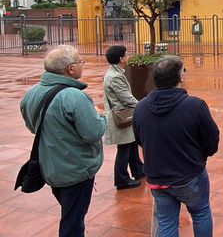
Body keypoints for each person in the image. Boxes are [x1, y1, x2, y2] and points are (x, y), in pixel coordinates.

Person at [20, 45, 106, 237]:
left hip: (49, 167)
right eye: (80, 61)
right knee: (73, 221)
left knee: (70, 211)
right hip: (75, 169)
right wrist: (100, 117)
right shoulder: (75, 97)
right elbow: (93, 133)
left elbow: (32, 126)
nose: (82, 65)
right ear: (70, 68)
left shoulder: (31, 92)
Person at [133, 56, 220, 237]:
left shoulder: (140, 108)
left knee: (165, 221)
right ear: (180, 77)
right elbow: (211, 140)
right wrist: (200, 156)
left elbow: (140, 140)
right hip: (189, 174)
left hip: (158, 177)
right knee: (201, 212)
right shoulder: (194, 105)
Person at [103, 45, 144, 190]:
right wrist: (143, 106)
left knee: (132, 143)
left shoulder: (116, 73)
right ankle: (121, 179)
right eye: (126, 54)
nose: (128, 57)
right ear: (121, 58)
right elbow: (126, 98)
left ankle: (138, 170)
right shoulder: (114, 77)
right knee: (125, 148)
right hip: (121, 116)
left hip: (124, 113)